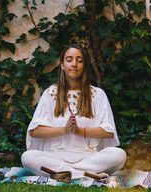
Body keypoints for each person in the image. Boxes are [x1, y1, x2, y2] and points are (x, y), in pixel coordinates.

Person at [21, 44, 126, 179]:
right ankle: (85, 174)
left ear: (85, 66)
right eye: (69, 60)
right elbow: (35, 131)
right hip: (56, 156)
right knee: (27, 157)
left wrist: (79, 131)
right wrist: (65, 130)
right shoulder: (50, 93)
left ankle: (66, 173)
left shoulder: (98, 94)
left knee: (119, 155)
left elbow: (108, 131)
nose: (74, 64)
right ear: (62, 66)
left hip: (89, 157)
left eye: (80, 60)